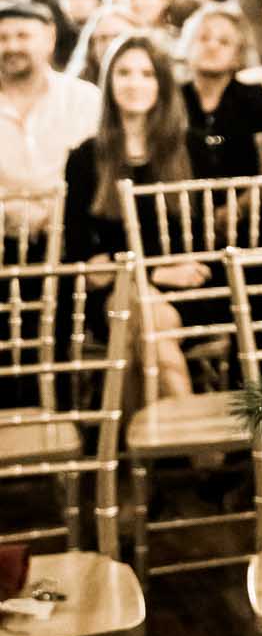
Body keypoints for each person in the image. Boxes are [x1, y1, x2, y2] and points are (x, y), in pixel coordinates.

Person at [62, 32, 199, 396]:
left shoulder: (193, 150)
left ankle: (133, 450)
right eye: (124, 73)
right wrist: (152, 270)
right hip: (114, 295)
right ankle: (199, 449)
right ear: (109, 83)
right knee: (141, 315)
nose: (134, 83)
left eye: (147, 74)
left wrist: (129, 267)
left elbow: (201, 242)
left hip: (190, 291)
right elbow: (77, 249)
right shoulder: (84, 157)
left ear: (163, 84)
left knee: (137, 321)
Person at [0, 0, 100, 240]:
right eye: (2, 38)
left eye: (23, 36)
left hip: (77, 234)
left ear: (50, 38)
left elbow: (100, 170)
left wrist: (59, 215)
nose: (12, 46)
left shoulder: (84, 98)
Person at [179, 2, 262, 179]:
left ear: (238, 55)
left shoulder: (258, 99)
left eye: (224, 42)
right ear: (188, 45)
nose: (212, 46)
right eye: (204, 38)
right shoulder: (172, 98)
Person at [64, 2, 138, 86]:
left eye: (118, 36)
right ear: (92, 47)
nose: (110, 44)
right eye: (103, 38)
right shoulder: (76, 88)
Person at [54, 0, 99, 69]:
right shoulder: (54, 41)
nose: (79, 3)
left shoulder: (108, 34)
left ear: (98, 0)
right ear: (60, 2)